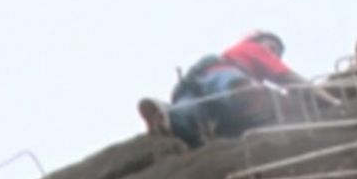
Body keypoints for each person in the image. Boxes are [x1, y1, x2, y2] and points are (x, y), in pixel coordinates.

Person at [138, 30, 342, 149]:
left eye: (277, 52)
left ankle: (167, 120)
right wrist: (331, 101)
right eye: (272, 47)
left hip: (194, 89)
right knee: (232, 85)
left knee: (189, 113)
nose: (273, 54)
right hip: (220, 74)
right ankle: (243, 93)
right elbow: (288, 78)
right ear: (256, 41)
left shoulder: (241, 54)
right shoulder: (252, 50)